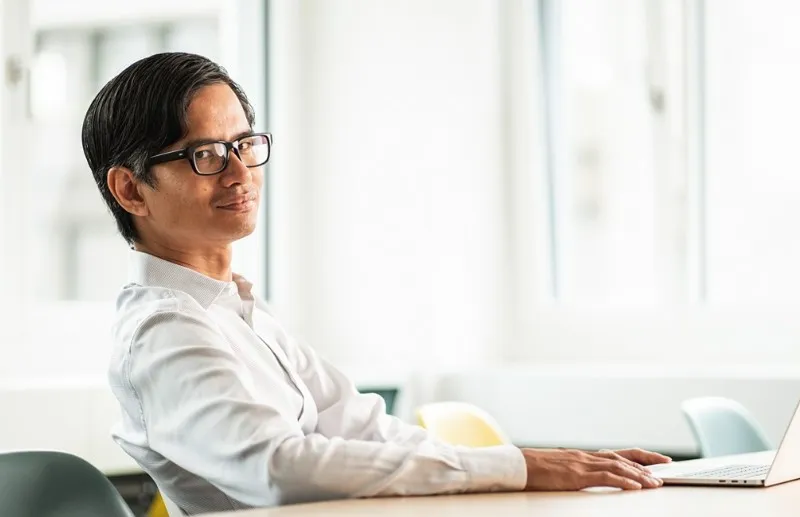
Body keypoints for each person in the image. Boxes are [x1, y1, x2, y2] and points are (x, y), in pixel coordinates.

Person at [82, 52, 671, 515]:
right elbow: (280, 469)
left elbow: (363, 428)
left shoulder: (235, 309)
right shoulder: (164, 330)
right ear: (131, 190)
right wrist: (514, 469)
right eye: (205, 154)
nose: (240, 173)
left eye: (244, 145)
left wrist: (534, 461)